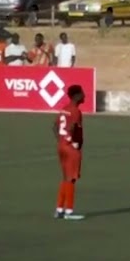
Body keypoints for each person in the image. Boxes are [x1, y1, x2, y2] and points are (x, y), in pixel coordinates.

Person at [54, 84, 87, 221]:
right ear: (76, 96)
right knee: (71, 179)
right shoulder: (75, 111)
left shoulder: (64, 109)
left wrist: (61, 140)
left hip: (61, 147)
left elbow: (55, 127)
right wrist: (71, 141)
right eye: (82, 93)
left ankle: (59, 209)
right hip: (70, 148)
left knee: (65, 178)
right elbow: (73, 127)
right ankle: (69, 211)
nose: (84, 96)